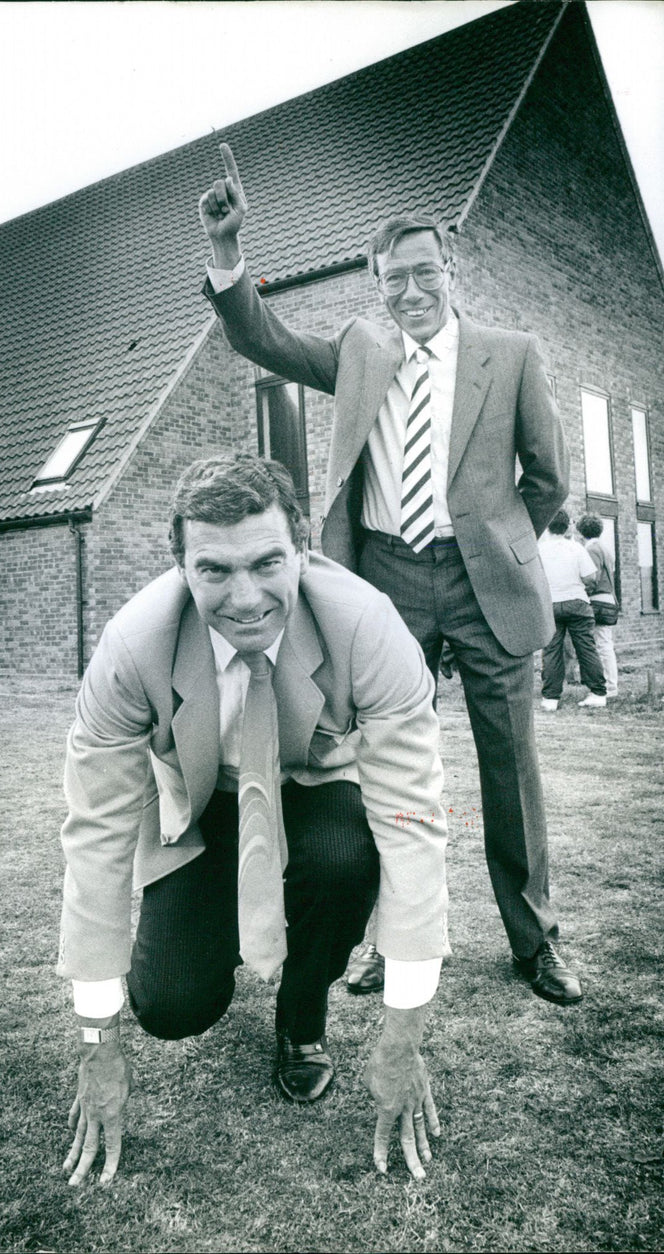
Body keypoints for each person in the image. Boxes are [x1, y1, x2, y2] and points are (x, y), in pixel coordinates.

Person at [198, 143, 582, 1007]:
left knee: (508, 767)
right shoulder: (361, 351)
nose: (408, 293)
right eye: (391, 281)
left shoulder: (511, 353)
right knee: (379, 768)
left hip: (488, 588)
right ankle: (377, 940)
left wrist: (506, 544)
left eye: (422, 274)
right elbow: (264, 338)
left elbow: (548, 476)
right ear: (377, 287)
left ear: (451, 269)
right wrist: (228, 254)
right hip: (388, 583)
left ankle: (536, 942)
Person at [58, 453, 451, 1187]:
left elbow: (412, 819)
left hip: (313, 788)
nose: (244, 598)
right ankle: (228, 933)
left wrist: (404, 1036)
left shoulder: (366, 624)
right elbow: (96, 836)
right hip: (204, 806)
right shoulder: (130, 646)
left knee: (345, 860)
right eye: (214, 570)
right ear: (181, 565)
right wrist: (97, 1044)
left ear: (301, 548)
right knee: (170, 1006)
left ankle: (300, 1019)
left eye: (268, 562)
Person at [538, 510, 607, 709]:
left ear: (547, 525)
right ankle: (598, 693)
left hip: (550, 603)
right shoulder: (576, 548)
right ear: (568, 526)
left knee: (551, 650)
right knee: (586, 647)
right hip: (577, 602)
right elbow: (591, 578)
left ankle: (550, 698)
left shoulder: (539, 549)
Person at [576, 514, 619, 698]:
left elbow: (591, 577)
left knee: (601, 645)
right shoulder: (605, 549)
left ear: (581, 531)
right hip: (608, 598)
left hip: (597, 600)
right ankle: (609, 684)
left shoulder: (591, 549)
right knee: (605, 643)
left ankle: (609, 686)